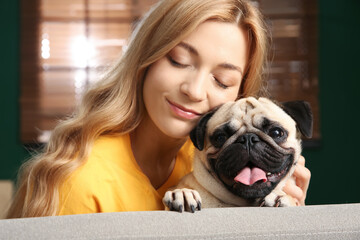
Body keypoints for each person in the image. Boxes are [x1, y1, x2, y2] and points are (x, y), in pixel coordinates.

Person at [7, 0, 310, 218]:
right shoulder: (82, 182)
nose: (194, 90)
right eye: (178, 60)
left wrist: (285, 220)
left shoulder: (210, 158)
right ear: (145, 60)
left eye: (222, 80)